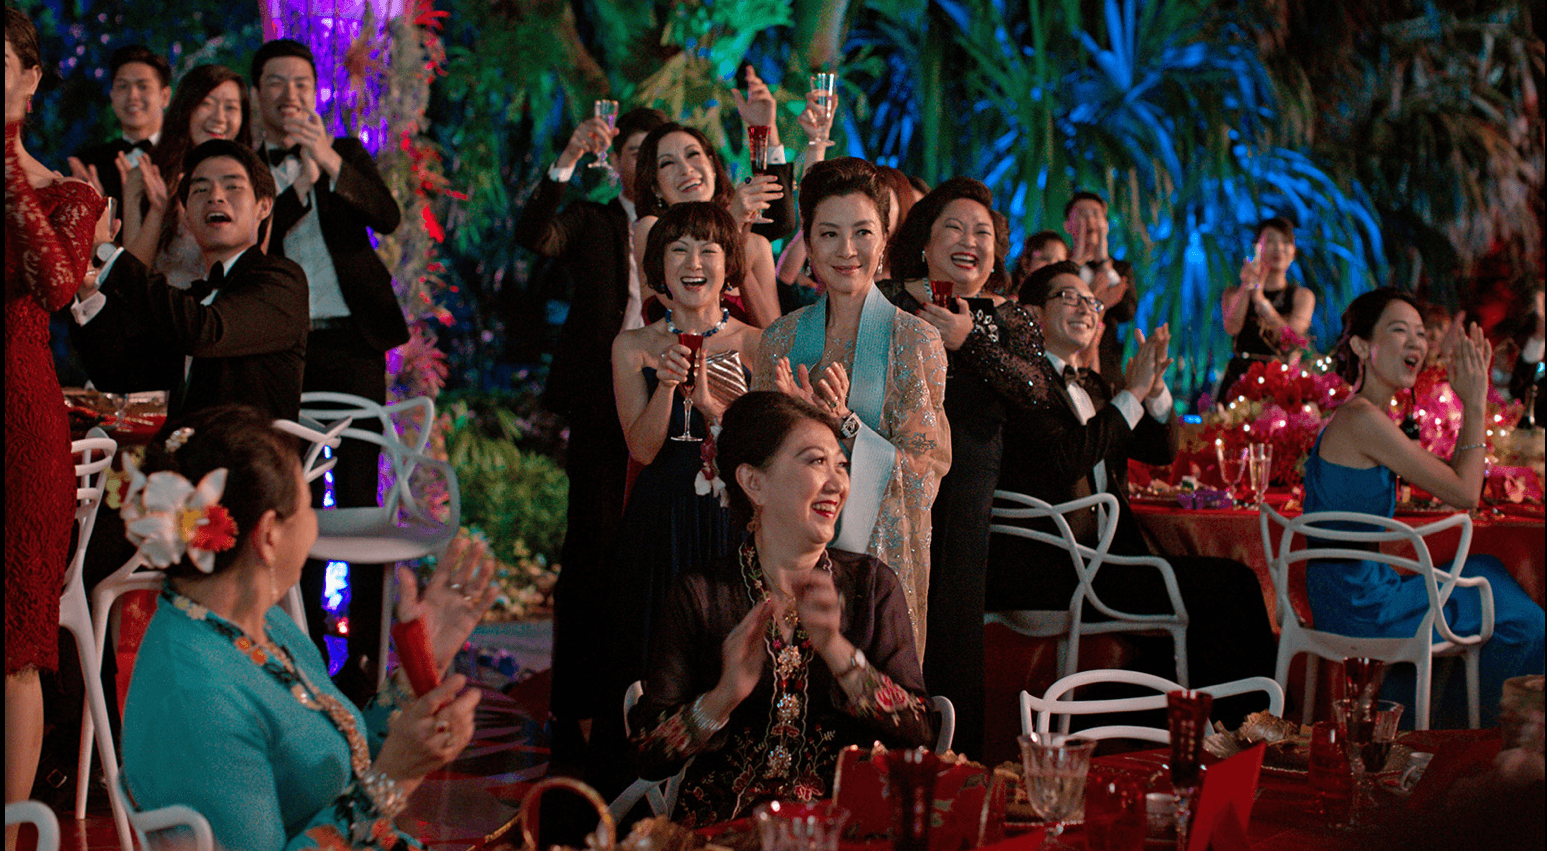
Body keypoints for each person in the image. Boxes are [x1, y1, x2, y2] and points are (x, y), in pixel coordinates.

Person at [118, 405, 497, 851]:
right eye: (309, 507)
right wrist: (394, 780)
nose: (316, 524)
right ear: (269, 536)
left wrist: (419, 663)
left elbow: (339, 762)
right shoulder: (199, 693)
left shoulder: (256, 625)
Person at [988, 262, 1277, 722]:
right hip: (1062, 568)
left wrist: (1154, 389)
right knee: (1229, 587)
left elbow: (1160, 451)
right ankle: (1238, 725)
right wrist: (1134, 390)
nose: (1086, 308)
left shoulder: (1092, 385)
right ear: (1033, 315)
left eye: (1092, 301)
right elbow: (1066, 460)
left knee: (1233, 585)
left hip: (1109, 563)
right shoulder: (1024, 386)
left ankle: (1222, 724)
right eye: (1069, 297)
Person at [630, 391, 933, 826]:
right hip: (725, 834)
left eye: (841, 465)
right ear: (755, 483)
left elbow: (921, 735)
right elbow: (647, 753)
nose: (838, 484)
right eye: (816, 462)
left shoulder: (872, 586)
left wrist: (840, 654)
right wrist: (722, 697)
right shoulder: (701, 594)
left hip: (842, 830)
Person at [1308, 287, 1544, 727]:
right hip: (1360, 605)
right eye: (1400, 330)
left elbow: (1451, 478)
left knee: (1487, 568)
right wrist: (1475, 402)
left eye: (1420, 333)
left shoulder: (1364, 416)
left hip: (1349, 590)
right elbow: (1466, 494)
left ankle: (1427, 724)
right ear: (1360, 345)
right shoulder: (1363, 419)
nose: (1416, 342)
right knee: (1524, 620)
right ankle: (1472, 735)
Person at [252, 38, 408, 703]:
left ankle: (364, 662)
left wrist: (328, 162)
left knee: (360, 500)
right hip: (287, 348)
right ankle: (308, 649)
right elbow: (258, 243)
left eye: (300, 82)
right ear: (257, 94)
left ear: (315, 92)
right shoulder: (249, 170)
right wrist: (295, 185)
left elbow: (386, 215)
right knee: (296, 500)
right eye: (275, 82)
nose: (289, 94)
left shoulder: (345, 150)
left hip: (355, 346)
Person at [513, 105, 665, 771]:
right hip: (603, 400)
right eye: (634, 153)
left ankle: (650, 702)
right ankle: (574, 710)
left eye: (657, 154)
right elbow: (534, 234)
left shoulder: (692, 232)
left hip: (675, 396)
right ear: (618, 162)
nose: (647, 166)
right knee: (592, 552)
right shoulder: (596, 220)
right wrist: (567, 159)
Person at [883, 177, 1055, 759]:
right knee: (889, 613)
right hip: (889, 481)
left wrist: (968, 340)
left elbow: (1038, 393)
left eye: (982, 232)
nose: (969, 241)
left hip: (966, 496)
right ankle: (881, 752)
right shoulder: (887, 300)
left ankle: (956, 761)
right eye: (953, 228)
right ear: (924, 242)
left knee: (954, 623)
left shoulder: (1007, 317)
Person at [594, 201, 760, 793]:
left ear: (728, 264)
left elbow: (761, 447)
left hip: (730, 520)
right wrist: (666, 387)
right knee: (650, 651)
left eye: (708, 249)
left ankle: (719, 797)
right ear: (660, 268)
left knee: (724, 652)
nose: (694, 263)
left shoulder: (757, 343)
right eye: (679, 250)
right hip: (659, 518)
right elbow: (640, 449)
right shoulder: (632, 346)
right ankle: (637, 799)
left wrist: (714, 407)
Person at [754, 157, 951, 657]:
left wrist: (844, 424)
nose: (846, 250)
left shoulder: (915, 341)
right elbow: (755, 459)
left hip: (877, 566)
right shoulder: (779, 339)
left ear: (884, 240)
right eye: (829, 234)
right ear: (808, 242)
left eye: (862, 232)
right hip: (787, 563)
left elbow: (924, 472)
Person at [5, 4, 108, 830]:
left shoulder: (67, 194)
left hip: (18, 425)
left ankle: (12, 831)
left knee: (15, 646)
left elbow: (58, 286)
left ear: (30, 79)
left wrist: (5, 158)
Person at [71, 139, 309, 422]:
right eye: (200, 190)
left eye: (232, 186)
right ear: (186, 216)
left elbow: (205, 332)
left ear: (264, 206)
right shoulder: (194, 299)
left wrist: (107, 253)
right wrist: (89, 291)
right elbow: (117, 372)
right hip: (185, 447)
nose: (215, 197)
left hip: (246, 448)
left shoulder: (282, 281)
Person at [632, 122, 783, 328]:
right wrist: (731, 228)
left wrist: (737, 246)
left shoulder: (756, 245)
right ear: (655, 187)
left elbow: (774, 336)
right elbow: (690, 314)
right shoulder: (650, 229)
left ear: (711, 165)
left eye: (693, 154)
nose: (686, 169)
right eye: (667, 163)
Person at [118, 64, 251, 290]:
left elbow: (252, 272)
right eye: (206, 104)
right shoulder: (143, 176)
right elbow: (131, 276)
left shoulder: (251, 180)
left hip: (225, 309)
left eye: (230, 107)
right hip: (162, 308)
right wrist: (157, 211)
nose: (219, 117)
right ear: (186, 108)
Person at [1217, 217, 1315, 401]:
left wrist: (1261, 300)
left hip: (1281, 384)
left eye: (1285, 242)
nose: (1278, 248)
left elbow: (1291, 338)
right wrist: (1247, 287)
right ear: (1256, 247)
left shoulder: (1302, 296)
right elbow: (1232, 327)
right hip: (1240, 380)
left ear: (1294, 251)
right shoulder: (1233, 294)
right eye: (1270, 241)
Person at [67, 44, 171, 210]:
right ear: (112, 95)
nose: (133, 96)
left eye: (143, 86)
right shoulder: (90, 163)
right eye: (123, 86)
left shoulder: (183, 157)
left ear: (165, 96)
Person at [1063, 191, 1136, 383]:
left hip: (1106, 368)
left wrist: (1104, 262)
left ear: (1106, 224)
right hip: (1064, 362)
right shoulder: (1060, 265)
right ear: (1067, 225)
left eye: (1096, 214)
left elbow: (1127, 312)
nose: (1089, 220)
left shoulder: (1120, 269)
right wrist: (1076, 261)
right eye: (1082, 214)